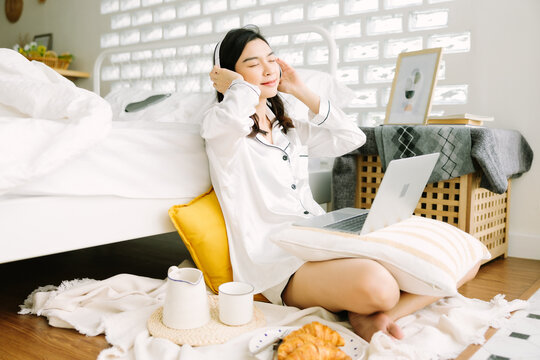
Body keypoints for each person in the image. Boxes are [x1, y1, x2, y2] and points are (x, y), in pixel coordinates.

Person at [201, 26, 480, 342]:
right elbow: (231, 117)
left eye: (271, 58)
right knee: (381, 286)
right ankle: (374, 303)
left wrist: (300, 90)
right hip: (278, 261)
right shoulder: (222, 129)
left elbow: (352, 137)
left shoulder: (288, 130)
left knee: (465, 256)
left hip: (320, 234)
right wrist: (239, 88)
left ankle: (380, 315)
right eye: (253, 64)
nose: (268, 69)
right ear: (227, 75)